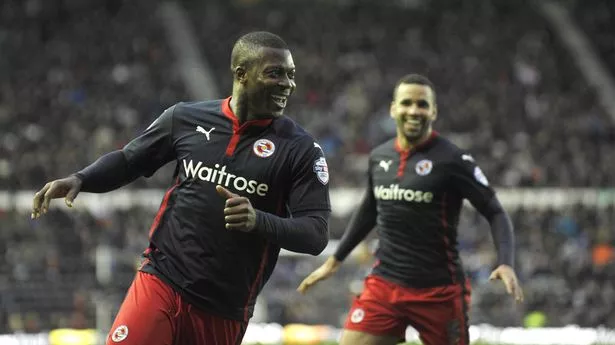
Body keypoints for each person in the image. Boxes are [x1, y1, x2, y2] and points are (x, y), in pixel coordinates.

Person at [31, 31, 331, 345]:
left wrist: (258, 220)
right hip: (162, 278)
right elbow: (130, 160)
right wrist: (82, 179)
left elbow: (316, 233)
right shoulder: (185, 118)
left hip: (223, 308)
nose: (287, 84)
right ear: (241, 74)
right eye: (275, 73)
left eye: (291, 75)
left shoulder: (301, 151)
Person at [297, 74, 523, 345]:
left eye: (422, 105)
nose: (414, 111)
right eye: (406, 103)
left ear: (433, 111)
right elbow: (370, 209)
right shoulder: (380, 157)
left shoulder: (454, 160)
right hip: (386, 284)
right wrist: (335, 261)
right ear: (393, 109)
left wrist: (506, 262)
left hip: (439, 292)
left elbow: (495, 211)